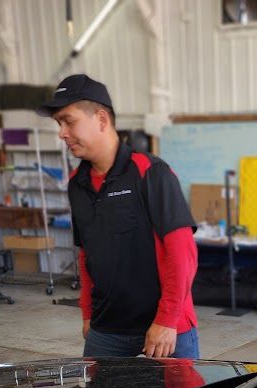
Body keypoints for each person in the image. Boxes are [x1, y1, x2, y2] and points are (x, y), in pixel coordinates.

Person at [37, 74, 199, 358]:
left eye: (68, 121)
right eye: (58, 124)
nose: (62, 132)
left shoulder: (150, 172)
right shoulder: (78, 183)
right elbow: (87, 254)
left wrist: (166, 319)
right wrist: (87, 313)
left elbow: (182, 251)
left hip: (163, 331)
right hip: (106, 331)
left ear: (101, 119)